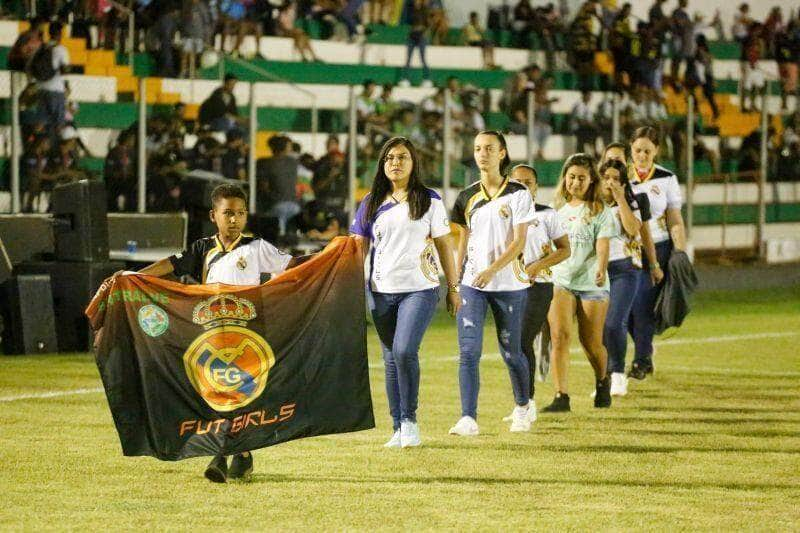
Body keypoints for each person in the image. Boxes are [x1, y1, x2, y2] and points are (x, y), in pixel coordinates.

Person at [103, 184, 305, 483]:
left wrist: (330, 257)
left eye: (239, 213)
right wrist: (135, 276)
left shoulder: (257, 247)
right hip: (211, 332)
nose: (234, 220)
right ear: (214, 215)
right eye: (227, 214)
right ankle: (243, 455)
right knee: (217, 392)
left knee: (241, 394)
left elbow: (292, 265)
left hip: (248, 333)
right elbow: (170, 265)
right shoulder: (201, 249)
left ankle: (223, 456)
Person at [350, 137, 460, 448]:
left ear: (413, 163)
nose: (395, 163)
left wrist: (453, 288)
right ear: (382, 165)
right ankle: (397, 427)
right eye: (389, 158)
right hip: (381, 292)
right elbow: (357, 250)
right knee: (389, 359)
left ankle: (411, 421)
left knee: (403, 351)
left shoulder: (429, 199)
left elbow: (445, 245)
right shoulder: (370, 202)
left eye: (402, 157)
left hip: (421, 290)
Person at [449, 131, 536, 436]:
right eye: (477, 148)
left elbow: (519, 242)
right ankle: (468, 418)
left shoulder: (519, 195)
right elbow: (462, 242)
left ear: (502, 154)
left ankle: (523, 406)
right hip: (473, 285)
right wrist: (454, 282)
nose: (482, 153)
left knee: (511, 351)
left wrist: (492, 270)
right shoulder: (466, 197)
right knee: (468, 351)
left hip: (509, 284)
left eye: (488, 148)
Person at [542, 153, 615, 413]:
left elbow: (603, 244)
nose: (575, 182)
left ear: (591, 180)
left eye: (581, 178)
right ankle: (562, 396)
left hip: (592, 284)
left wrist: (602, 268)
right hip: (561, 280)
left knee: (591, 342)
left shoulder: (600, 210)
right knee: (559, 336)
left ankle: (603, 379)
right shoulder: (557, 209)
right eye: (571, 177)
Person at [508, 164, 570, 421]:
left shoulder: (546, 214)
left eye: (528, 182)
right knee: (512, 345)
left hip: (539, 286)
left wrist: (538, 265)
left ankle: (528, 402)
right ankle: (521, 402)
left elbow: (565, 249)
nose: (523, 186)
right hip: (508, 287)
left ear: (535, 187)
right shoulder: (501, 214)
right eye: (518, 182)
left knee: (522, 341)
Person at [627, 126, 686, 380]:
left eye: (647, 151)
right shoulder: (620, 178)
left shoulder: (666, 178)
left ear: (656, 152)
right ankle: (646, 349)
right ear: (631, 149)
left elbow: (674, 218)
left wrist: (680, 251)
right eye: (638, 150)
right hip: (626, 249)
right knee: (622, 310)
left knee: (642, 304)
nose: (641, 155)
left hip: (658, 247)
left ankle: (641, 361)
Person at [599, 158, 643, 397]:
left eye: (616, 179)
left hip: (624, 270)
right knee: (599, 330)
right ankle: (604, 378)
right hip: (598, 272)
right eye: (607, 178)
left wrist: (620, 198)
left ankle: (617, 374)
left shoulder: (628, 204)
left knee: (614, 322)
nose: (611, 183)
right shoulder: (593, 206)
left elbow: (633, 229)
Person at [34, 20, 70, 136]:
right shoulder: (60, 49)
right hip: (56, 89)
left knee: (40, 122)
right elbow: (65, 70)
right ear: (60, 34)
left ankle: (34, 145)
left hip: (41, 88)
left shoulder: (41, 47)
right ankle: (59, 150)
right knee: (60, 123)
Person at [260, 135, 300, 237]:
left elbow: (264, 186)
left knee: (277, 238)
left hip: (276, 204)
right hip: (294, 204)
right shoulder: (294, 162)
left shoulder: (266, 163)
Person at [400, 0, 432, 87]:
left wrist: (425, 34)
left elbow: (428, 25)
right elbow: (408, 23)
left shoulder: (425, 11)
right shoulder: (410, 11)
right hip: (412, 35)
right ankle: (405, 78)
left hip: (421, 35)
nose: (416, 2)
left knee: (422, 58)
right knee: (408, 58)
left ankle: (427, 78)